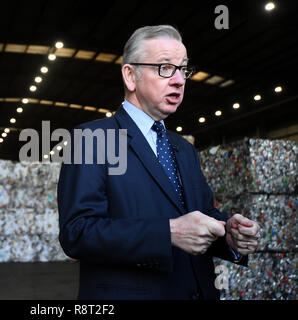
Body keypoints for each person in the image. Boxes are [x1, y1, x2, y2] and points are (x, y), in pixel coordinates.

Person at [57, 25, 260, 300]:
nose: (179, 80)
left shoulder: (184, 149)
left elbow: (201, 214)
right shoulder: (93, 138)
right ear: (130, 76)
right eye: (165, 68)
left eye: (183, 69)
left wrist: (228, 234)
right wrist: (168, 233)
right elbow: (77, 233)